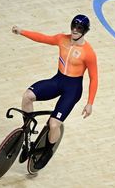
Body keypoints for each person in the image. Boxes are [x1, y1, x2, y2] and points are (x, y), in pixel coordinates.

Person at [12, 14, 98, 169]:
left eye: (79, 28)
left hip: (72, 89)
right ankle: (28, 136)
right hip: (57, 81)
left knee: (53, 124)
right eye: (74, 26)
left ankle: (48, 151)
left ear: (85, 31)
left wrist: (90, 103)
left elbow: (94, 78)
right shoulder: (62, 39)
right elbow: (42, 38)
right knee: (27, 96)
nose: (75, 30)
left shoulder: (88, 52)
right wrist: (22, 31)